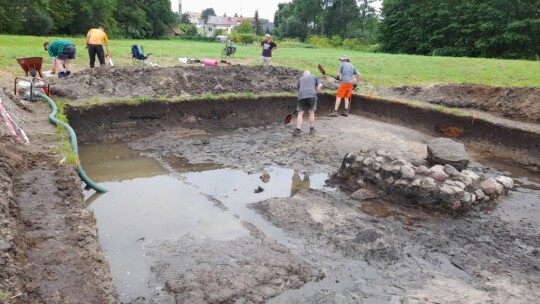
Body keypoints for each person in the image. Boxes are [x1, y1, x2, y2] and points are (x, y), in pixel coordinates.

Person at [293, 71, 322, 136]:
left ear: (304, 75)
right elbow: (320, 85)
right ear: (310, 74)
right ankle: (312, 130)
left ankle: (298, 131)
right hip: (312, 95)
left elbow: (299, 91)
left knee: (300, 113)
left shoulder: (300, 79)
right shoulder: (314, 76)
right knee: (311, 113)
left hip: (301, 96)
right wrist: (316, 92)